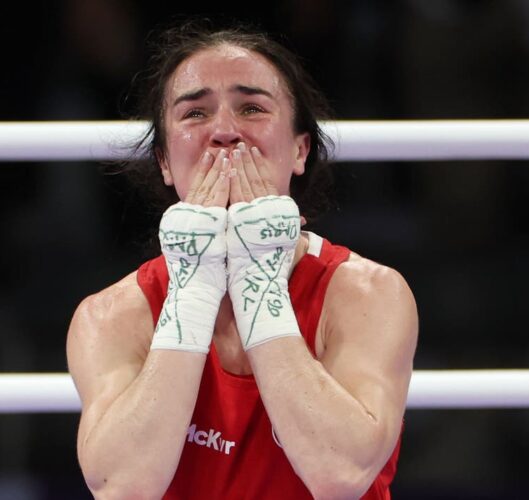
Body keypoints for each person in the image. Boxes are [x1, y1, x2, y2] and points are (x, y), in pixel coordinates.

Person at [66, 22, 418, 499]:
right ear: (165, 161)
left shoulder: (367, 294)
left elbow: (342, 474)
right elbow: (122, 487)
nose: (226, 132)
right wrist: (192, 289)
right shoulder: (111, 317)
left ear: (299, 149)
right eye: (195, 113)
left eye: (252, 108)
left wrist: (260, 283)